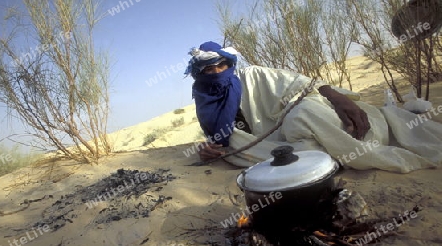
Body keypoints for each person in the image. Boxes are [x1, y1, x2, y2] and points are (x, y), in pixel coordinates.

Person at [184, 41, 442, 173]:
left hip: (304, 125)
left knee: (304, 113)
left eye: (221, 66)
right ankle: (324, 158)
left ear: (230, 65)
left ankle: (356, 151)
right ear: (199, 74)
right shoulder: (205, 102)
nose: (216, 72)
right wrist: (207, 150)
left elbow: (304, 85)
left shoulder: (253, 76)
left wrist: (337, 97)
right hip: (278, 146)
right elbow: (217, 140)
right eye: (208, 69)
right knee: (295, 151)